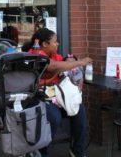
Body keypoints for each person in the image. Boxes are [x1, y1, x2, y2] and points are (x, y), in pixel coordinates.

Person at [24, 28, 91, 157]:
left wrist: (77, 74)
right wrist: (81, 62)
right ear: (45, 44)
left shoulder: (55, 56)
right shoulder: (35, 53)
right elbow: (53, 66)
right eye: (55, 42)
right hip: (39, 97)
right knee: (54, 117)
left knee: (79, 111)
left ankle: (77, 152)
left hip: (57, 96)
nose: (58, 44)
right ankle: (41, 153)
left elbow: (67, 66)